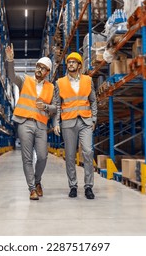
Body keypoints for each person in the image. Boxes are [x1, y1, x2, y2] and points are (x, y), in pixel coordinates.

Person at [5, 43, 56, 200]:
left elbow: (55, 108)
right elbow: (11, 76)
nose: (39, 69)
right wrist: (11, 60)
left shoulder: (51, 88)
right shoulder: (25, 80)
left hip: (41, 125)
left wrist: (46, 106)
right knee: (27, 158)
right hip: (24, 122)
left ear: (47, 72)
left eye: (42, 68)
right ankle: (32, 188)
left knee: (42, 156)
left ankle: (38, 180)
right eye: (37, 66)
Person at [53, 52, 97, 199]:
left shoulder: (88, 80)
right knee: (70, 156)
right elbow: (57, 104)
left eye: (74, 62)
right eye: (69, 62)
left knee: (88, 152)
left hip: (85, 121)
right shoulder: (60, 82)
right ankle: (73, 185)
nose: (71, 64)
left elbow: (93, 100)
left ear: (79, 65)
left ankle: (89, 186)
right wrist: (56, 122)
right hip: (68, 122)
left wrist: (94, 118)